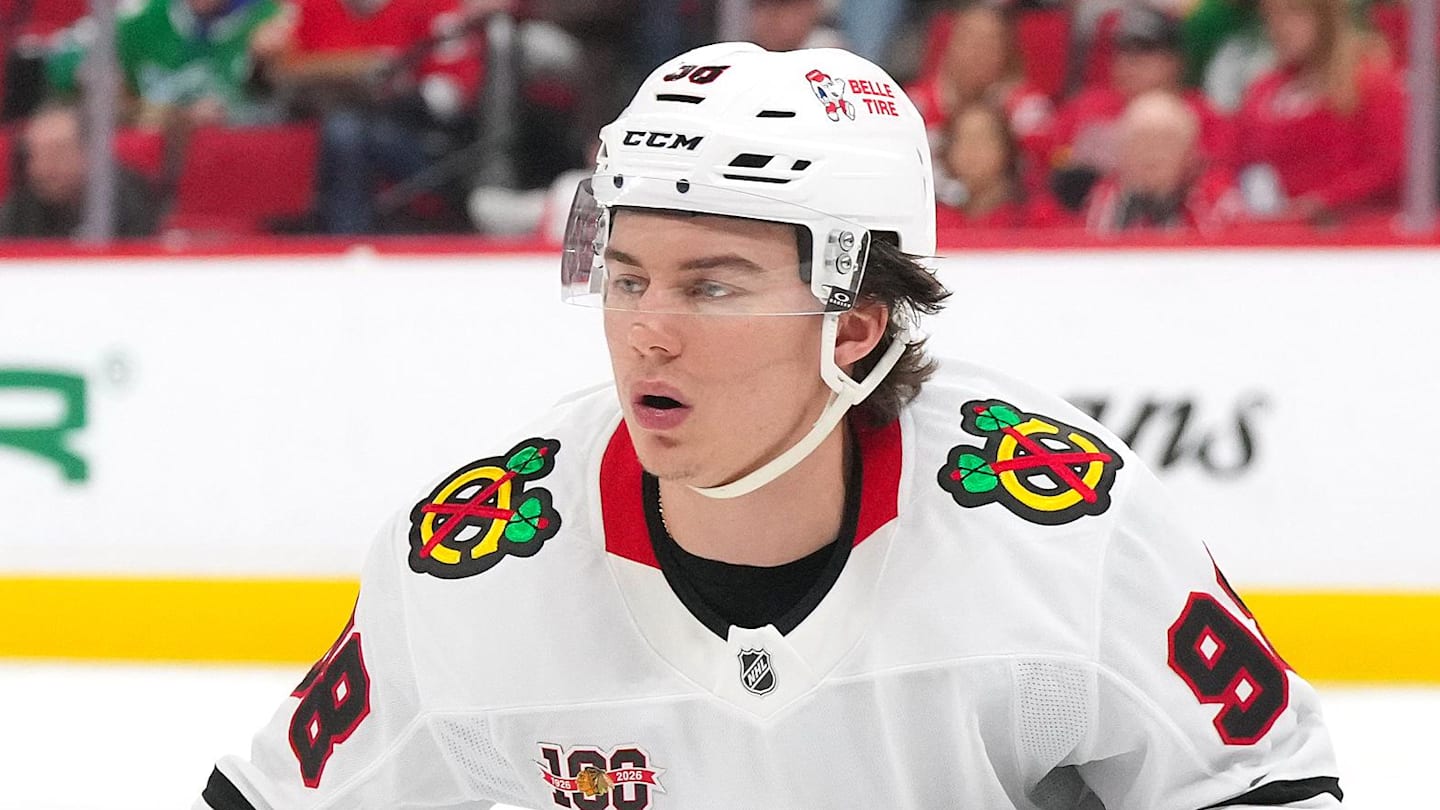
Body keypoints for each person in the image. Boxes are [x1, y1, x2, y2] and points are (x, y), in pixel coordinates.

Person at [196, 43, 1343, 809]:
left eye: (712, 286)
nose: (645, 331)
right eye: (629, 276)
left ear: (855, 326)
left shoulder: (1059, 525)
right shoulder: (475, 565)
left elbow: (1266, 781)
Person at [1232, 0, 1404, 225]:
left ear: (1326, 17)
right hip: (1276, 234)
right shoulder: (1262, 91)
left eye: (1293, 12)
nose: (1278, 27)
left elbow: (1391, 166)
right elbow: (1234, 159)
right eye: (1270, 16)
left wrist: (1323, 201)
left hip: (1355, 235)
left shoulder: (1373, 83)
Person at [1050, 5, 1234, 211]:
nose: (1128, 62)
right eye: (1122, 50)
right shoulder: (1084, 110)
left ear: (1175, 60)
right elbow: (1052, 180)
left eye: (1144, 50)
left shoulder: (1205, 117)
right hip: (1094, 227)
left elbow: (1219, 186)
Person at [44, 0, 291, 130]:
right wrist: (88, 69)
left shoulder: (272, 17)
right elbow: (65, 52)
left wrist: (270, 64)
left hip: (237, 164)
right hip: (150, 171)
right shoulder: (142, 13)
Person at [1084, 90, 1242, 234]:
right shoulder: (1104, 199)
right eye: (1141, 142)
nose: (1153, 153)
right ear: (1123, 153)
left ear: (1189, 155)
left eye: (1166, 143)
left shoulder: (1215, 200)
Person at [0, 103, 160, 239]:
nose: (41, 169)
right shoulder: (20, 208)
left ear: (91, 151)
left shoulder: (129, 199)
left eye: (57, 153)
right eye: (34, 155)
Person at [934, 101, 1064, 229]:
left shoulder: (1037, 217)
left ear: (1006, 148)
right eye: (960, 140)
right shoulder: (937, 222)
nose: (970, 150)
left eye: (982, 139)